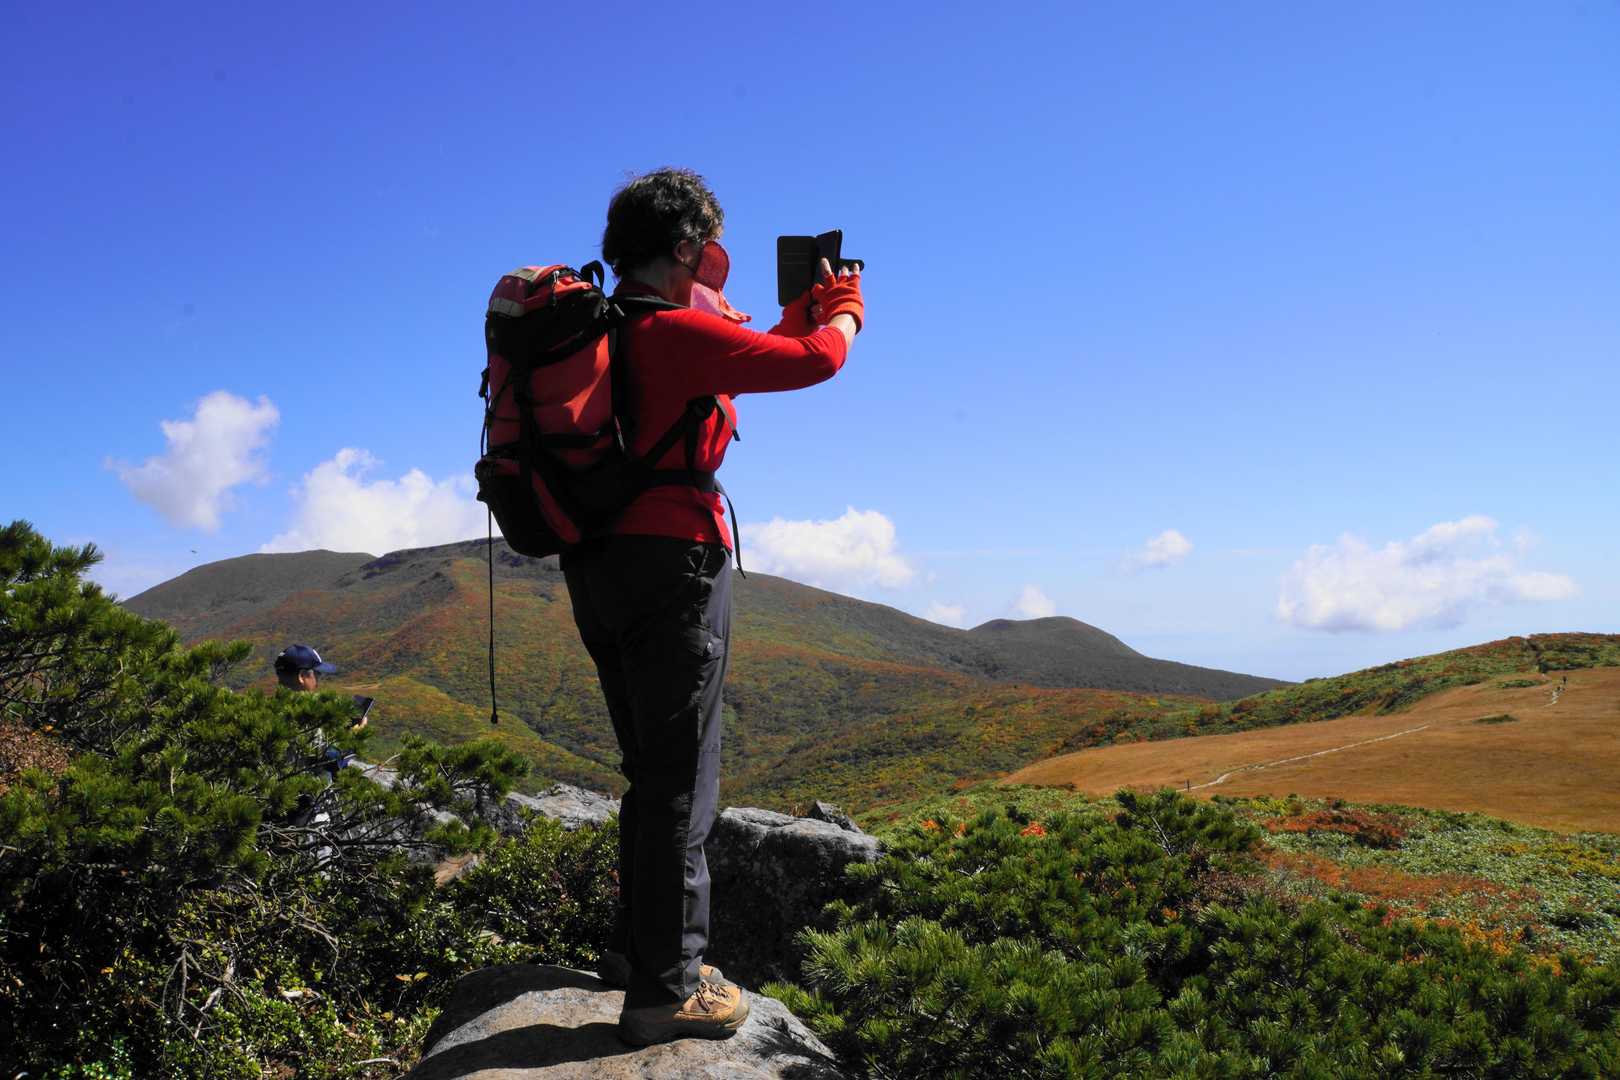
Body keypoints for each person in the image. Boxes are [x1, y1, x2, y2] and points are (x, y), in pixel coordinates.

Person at [561, 167, 863, 1046]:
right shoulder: (673, 331)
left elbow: (750, 350)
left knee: (649, 770)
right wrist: (844, 312)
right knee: (682, 781)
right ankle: (669, 988)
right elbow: (815, 361)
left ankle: (639, 954)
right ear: (689, 246)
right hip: (673, 565)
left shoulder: (613, 328)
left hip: (598, 564)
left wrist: (799, 316)